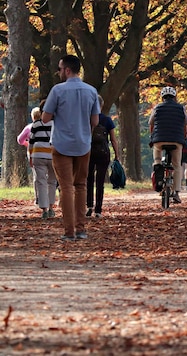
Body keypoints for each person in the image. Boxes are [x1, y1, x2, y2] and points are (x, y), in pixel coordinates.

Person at [42, 54, 100, 241]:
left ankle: (69, 231)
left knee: (66, 187)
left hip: (61, 144)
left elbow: (45, 118)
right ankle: (81, 229)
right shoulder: (91, 91)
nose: (58, 72)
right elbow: (95, 121)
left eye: (60, 69)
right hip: (83, 144)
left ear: (67, 70)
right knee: (81, 185)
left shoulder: (57, 91)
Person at [149, 86, 187, 204]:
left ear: (162, 97)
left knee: (157, 158)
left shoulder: (157, 108)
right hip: (176, 140)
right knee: (177, 165)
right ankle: (176, 192)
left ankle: (158, 172)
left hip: (159, 140)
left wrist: (153, 136)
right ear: (175, 97)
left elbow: (150, 122)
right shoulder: (181, 108)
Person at [86, 95, 119, 218]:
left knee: (89, 179)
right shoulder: (107, 120)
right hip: (103, 152)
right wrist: (117, 155)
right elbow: (113, 140)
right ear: (102, 105)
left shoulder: (88, 119)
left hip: (89, 152)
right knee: (100, 181)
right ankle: (98, 210)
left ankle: (89, 205)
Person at [28, 107, 57, 219]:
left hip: (38, 154)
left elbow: (31, 141)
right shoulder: (55, 124)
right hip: (52, 155)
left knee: (41, 181)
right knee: (52, 181)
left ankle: (44, 209)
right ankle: (51, 207)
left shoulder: (35, 125)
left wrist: (31, 156)